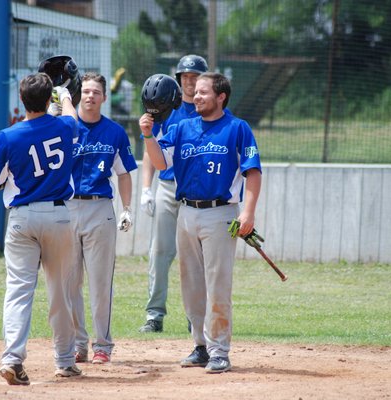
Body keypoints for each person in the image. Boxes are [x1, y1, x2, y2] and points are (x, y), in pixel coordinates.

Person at [139, 72, 262, 373]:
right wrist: (147, 135)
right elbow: (160, 163)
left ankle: (220, 350)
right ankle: (200, 346)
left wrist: (248, 213)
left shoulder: (237, 128)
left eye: (204, 92)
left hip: (221, 213)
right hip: (187, 212)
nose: (196, 95)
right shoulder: (182, 128)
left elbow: (253, 172)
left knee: (218, 284)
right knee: (191, 284)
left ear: (221, 97)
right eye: (195, 92)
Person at [0, 72, 81, 385]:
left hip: (22, 218)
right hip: (59, 217)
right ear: (48, 99)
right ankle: (65, 361)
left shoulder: (9, 136)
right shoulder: (65, 126)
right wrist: (63, 94)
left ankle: (12, 359)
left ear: (21, 100)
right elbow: (72, 117)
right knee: (60, 292)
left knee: (19, 290)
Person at [65, 72, 137, 364]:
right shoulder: (65, 127)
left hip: (100, 208)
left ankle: (102, 346)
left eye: (96, 92)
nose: (90, 96)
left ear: (105, 97)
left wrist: (127, 208)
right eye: (86, 91)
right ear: (79, 95)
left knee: (100, 281)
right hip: (67, 207)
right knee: (69, 282)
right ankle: (78, 343)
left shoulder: (115, 132)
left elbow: (124, 173)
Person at [139, 55, 209, 333]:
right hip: (168, 187)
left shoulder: (208, 108)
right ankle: (154, 314)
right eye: (185, 76)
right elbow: (151, 147)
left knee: (196, 257)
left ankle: (195, 317)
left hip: (196, 189)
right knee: (160, 251)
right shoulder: (168, 106)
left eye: (195, 76)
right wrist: (146, 188)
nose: (190, 82)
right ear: (178, 79)